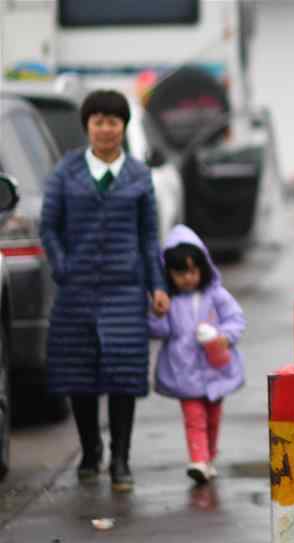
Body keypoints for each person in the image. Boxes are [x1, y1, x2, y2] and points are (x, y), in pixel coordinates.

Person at [40, 89, 170, 492]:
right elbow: (49, 227)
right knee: (79, 376)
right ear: (87, 126)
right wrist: (63, 266)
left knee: (123, 376)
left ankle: (120, 460)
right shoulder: (66, 172)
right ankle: (91, 450)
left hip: (124, 292)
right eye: (98, 121)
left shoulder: (137, 175)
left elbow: (149, 237)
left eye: (113, 121)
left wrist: (156, 286)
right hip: (76, 292)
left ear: (123, 127)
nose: (105, 129)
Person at [148, 225, 246, 484]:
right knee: (194, 417)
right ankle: (199, 460)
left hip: (215, 368)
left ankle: (208, 457)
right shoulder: (169, 301)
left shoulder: (216, 295)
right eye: (181, 273)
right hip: (184, 371)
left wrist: (224, 336)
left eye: (193, 271)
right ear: (169, 274)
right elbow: (160, 331)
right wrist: (157, 315)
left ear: (203, 268)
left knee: (213, 417)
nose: (188, 278)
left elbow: (236, 319)